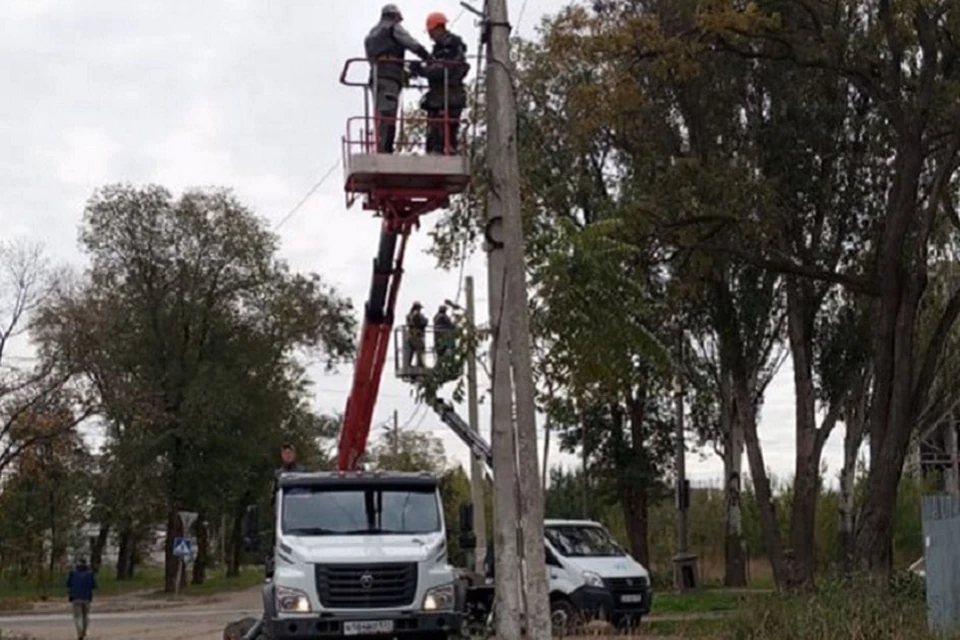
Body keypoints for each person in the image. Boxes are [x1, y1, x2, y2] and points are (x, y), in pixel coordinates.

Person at [364, 4, 432, 153]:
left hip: (376, 75)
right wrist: (427, 57)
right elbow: (410, 43)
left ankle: (381, 145)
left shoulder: (371, 35)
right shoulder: (392, 28)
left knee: (380, 112)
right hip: (389, 75)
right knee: (389, 112)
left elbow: (371, 58)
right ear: (394, 16)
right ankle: (385, 148)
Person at [414, 12, 470, 154]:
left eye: (431, 32)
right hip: (441, 96)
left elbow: (443, 70)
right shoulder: (440, 49)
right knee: (436, 137)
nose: (430, 35)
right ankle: (440, 151)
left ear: (438, 28)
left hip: (449, 96)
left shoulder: (452, 46)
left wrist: (422, 70)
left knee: (443, 135)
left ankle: (445, 151)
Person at [66, 556, 96, 639]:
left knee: (77, 616)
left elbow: (68, 585)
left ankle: (80, 633)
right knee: (86, 615)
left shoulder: (72, 573)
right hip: (87, 597)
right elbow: (93, 586)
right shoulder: (90, 573)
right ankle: (84, 631)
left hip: (75, 597)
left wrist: (70, 594)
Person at [404, 301, 428, 370]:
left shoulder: (409, 315)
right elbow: (423, 322)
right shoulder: (417, 314)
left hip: (410, 334)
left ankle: (409, 364)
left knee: (411, 350)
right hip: (417, 334)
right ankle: (420, 364)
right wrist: (425, 320)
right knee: (420, 349)